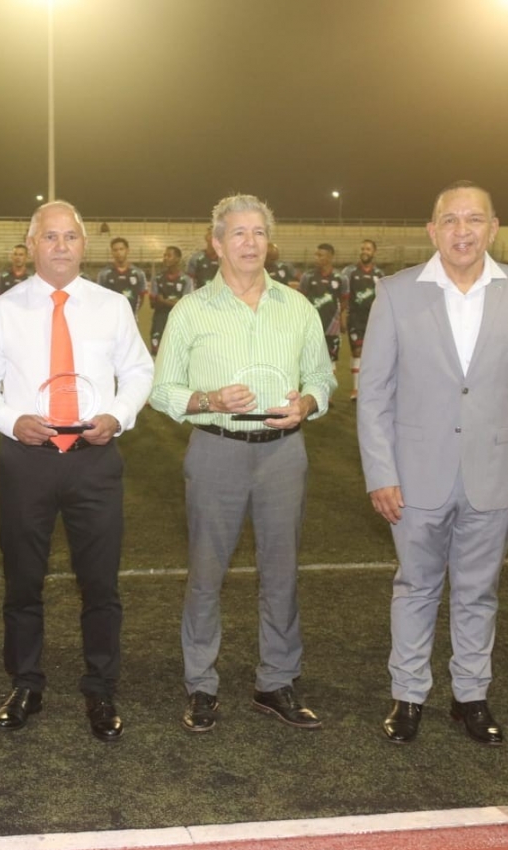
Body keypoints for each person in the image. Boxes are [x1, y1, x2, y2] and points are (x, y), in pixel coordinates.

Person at [357, 181, 508, 747]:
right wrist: (381, 473)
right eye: (450, 220)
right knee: (415, 587)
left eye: (474, 220)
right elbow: (374, 393)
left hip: (495, 475)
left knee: (478, 592)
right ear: (432, 229)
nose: (462, 231)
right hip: (415, 475)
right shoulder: (395, 292)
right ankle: (409, 696)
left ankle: (470, 696)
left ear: (493, 229)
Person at [0, 200, 154, 743]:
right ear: (30, 246)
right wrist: (8, 419)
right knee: (23, 581)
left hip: (94, 459)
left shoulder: (112, 306)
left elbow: (139, 370)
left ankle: (101, 687)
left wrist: (117, 416)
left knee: (100, 583)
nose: (61, 246)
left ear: (84, 245)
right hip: (27, 460)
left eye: (70, 236)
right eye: (49, 237)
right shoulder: (2, 309)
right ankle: (26, 683)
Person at [149, 194, 335, 735]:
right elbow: (163, 391)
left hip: (283, 453)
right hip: (216, 450)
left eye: (257, 233)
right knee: (207, 574)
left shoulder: (297, 307)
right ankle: (201, 684)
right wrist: (207, 400)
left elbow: (322, 378)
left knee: (282, 573)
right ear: (216, 243)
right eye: (238, 233)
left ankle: (276, 681)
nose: (249, 243)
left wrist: (305, 403)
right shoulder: (191, 310)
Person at [340, 239, 384, 400]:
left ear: (374, 252)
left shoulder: (379, 274)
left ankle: (371, 388)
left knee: (373, 354)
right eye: (363, 248)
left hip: (374, 320)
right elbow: (343, 296)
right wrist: (342, 316)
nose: (364, 251)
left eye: (368, 249)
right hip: (356, 319)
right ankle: (356, 390)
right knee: (357, 352)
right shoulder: (349, 272)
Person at [297, 243, 348, 367]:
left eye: (320, 255)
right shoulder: (307, 277)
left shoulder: (341, 278)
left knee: (331, 362)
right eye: (316, 254)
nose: (316, 258)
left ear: (330, 257)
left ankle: (327, 387)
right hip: (312, 327)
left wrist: (340, 319)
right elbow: (300, 299)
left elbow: (344, 300)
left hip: (332, 328)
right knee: (311, 362)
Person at [148, 245, 193, 355]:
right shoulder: (157, 278)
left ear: (177, 259)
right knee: (157, 352)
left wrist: (164, 301)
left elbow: (185, 304)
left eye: (169, 255)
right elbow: (152, 302)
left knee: (177, 354)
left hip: (178, 321)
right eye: (164, 255)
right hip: (159, 320)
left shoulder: (186, 280)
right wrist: (174, 302)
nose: (165, 258)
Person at [96, 236, 148, 316]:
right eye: (115, 250)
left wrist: (133, 312)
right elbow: (100, 296)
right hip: (110, 316)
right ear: (112, 252)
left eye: (121, 249)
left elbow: (142, 297)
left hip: (130, 317)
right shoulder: (104, 274)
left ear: (127, 250)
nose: (118, 252)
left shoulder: (139, 273)